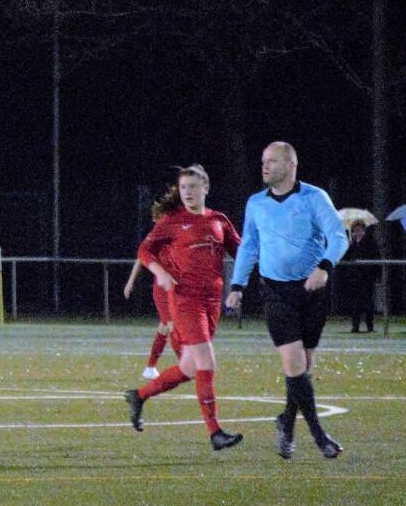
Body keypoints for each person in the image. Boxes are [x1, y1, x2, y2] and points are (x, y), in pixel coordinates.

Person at [226, 141, 349, 460]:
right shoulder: (256, 203)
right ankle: (320, 437)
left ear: (291, 165)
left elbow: (339, 237)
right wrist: (237, 285)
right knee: (294, 363)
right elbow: (248, 245)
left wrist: (325, 267)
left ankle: (287, 422)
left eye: (272, 161)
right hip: (275, 292)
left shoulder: (314, 197)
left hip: (312, 291)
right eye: (263, 161)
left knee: (303, 367)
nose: (264, 166)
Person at [123, 165, 242, 451]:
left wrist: (242, 282)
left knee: (189, 367)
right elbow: (144, 250)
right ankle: (215, 432)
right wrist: (160, 272)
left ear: (206, 188)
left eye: (193, 187)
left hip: (211, 301)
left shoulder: (219, 220)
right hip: (185, 299)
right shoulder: (172, 220)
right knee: (207, 361)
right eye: (183, 187)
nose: (187, 192)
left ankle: (139, 395)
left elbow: (242, 251)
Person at [123, 199, 184, 380]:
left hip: (176, 287)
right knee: (172, 326)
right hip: (162, 290)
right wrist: (130, 282)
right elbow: (141, 257)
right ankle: (185, 365)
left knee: (164, 327)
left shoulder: (175, 236)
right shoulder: (156, 237)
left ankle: (150, 368)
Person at [341, 220, 381, 332]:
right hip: (354, 278)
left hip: (367, 277)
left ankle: (370, 327)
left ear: (364, 230)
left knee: (368, 302)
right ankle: (355, 326)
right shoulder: (351, 243)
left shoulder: (370, 242)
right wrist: (349, 245)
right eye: (355, 230)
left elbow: (376, 257)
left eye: (360, 230)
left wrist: (378, 276)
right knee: (355, 303)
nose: (358, 232)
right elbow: (345, 257)